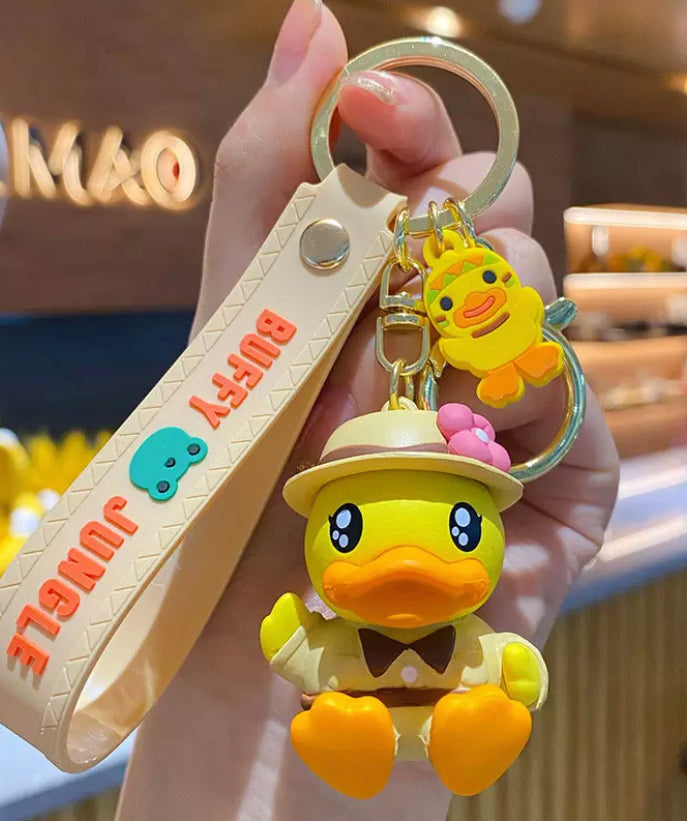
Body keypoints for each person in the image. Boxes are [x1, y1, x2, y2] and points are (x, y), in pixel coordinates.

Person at [117, 1, 619, 818]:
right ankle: (355, 741)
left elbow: (511, 667)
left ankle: (464, 732)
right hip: (340, 720)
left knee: (479, 707)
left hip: (441, 714)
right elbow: (300, 647)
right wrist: (242, 683)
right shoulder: (353, 638)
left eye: (462, 528)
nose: (405, 565)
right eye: (345, 529)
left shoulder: (467, 634)